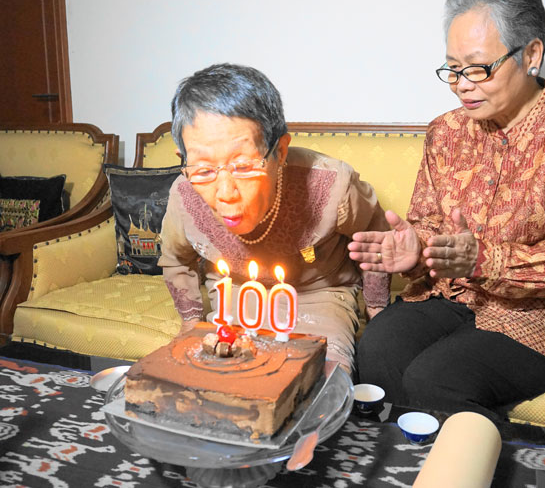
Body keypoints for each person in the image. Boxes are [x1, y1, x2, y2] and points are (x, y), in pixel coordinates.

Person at [348, 0, 545, 416]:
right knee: (380, 346)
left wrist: (485, 260)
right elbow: (429, 224)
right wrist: (414, 247)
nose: (461, 83)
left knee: (435, 378)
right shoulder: (445, 131)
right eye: (452, 68)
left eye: (477, 67)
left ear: (531, 54)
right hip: (454, 297)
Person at [159, 63, 390, 373]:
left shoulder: (332, 185)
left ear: (280, 151)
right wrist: (190, 321)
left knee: (317, 389)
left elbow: (377, 240)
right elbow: (176, 260)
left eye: (243, 166)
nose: (226, 193)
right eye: (203, 170)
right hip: (236, 298)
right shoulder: (185, 195)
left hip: (317, 296)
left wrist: (377, 314)